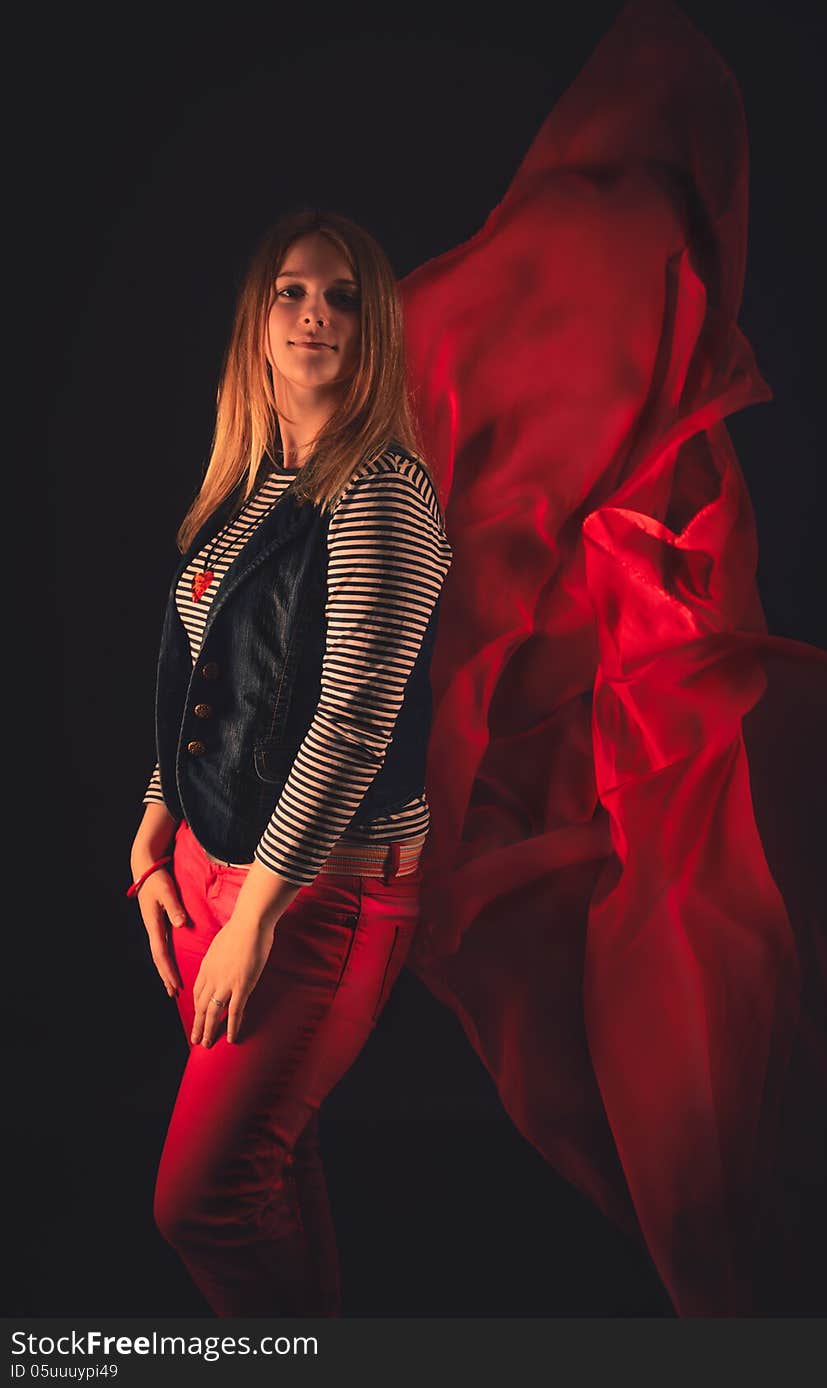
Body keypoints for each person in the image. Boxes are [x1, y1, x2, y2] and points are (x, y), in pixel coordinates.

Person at [127, 208, 453, 1317]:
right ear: (258, 323)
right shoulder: (255, 482)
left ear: (375, 333)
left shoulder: (381, 494)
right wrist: (157, 820)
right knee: (273, 1167)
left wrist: (258, 913)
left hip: (316, 900)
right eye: (291, 292)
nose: (315, 315)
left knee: (204, 1198)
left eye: (344, 296)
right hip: (213, 881)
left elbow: (352, 724)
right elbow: (207, 660)